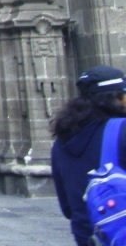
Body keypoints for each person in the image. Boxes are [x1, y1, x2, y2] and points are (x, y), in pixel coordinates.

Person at [51, 65, 126, 245]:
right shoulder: (121, 129)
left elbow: (68, 208)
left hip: (88, 235)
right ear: (115, 98)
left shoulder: (61, 141)